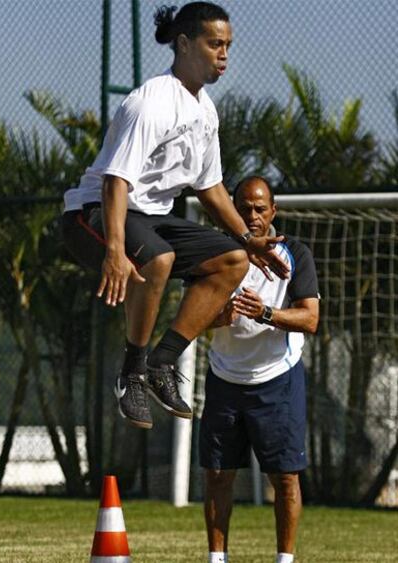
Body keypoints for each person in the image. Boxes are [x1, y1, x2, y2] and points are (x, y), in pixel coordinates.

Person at [61, 3, 289, 431]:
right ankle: (132, 372)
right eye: (214, 44)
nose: (223, 54)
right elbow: (115, 182)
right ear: (184, 44)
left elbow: (212, 190)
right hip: (93, 213)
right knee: (159, 258)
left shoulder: (205, 111)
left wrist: (248, 239)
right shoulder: (150, 103)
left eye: (228, 46)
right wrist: (113, 249)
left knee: (233, 260)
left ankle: (161, 366)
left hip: (150, 218)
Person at [200, 176, 320, 563]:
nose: (251, 215)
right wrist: (221, 315)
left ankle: (285, 559)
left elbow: (310, 318)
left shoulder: (294, 254)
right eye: (243, 208)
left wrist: (266, 313)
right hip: (224, 378)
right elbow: (189, 318)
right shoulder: (213, 253)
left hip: (277, 381)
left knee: (284, 478)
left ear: (273, 211)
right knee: (218, 475)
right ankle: (217, 558)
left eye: (259, 208)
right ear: (230, 209)